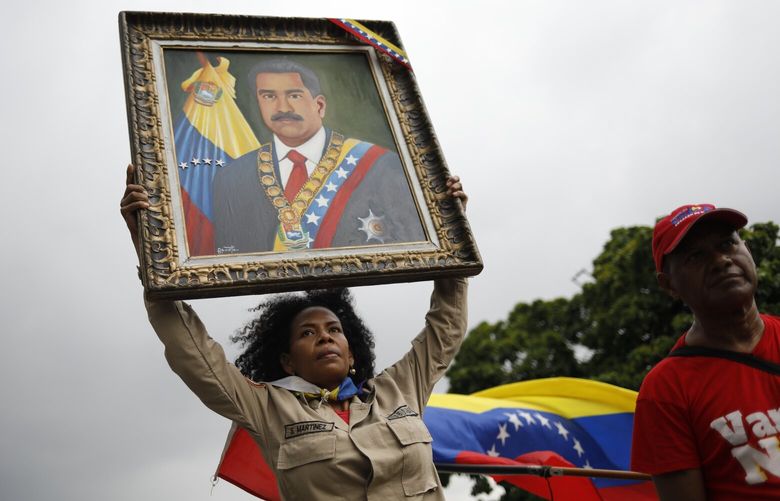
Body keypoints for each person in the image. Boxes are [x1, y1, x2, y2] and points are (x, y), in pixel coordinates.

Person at [121, 165, 469, 499]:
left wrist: (452, 228)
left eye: (334, 329)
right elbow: (193, 352)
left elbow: (445, 328)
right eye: (307, 333)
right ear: (288, 361)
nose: (324, 337)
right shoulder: (269, 408)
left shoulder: (399, 390)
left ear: (352, 353)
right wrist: (151, 250)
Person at [631, 204, 780, 500]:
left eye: (727, 243)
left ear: (747, 250)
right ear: (669, 284)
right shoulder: (666, 390)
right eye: (696, 256)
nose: (721, 261)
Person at [211, 58, 426, 255]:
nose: (282, 107)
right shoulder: (231, 178)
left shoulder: (383, 166)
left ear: (319, 105)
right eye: (269, 96)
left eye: (294, 95)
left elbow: (415, 246)